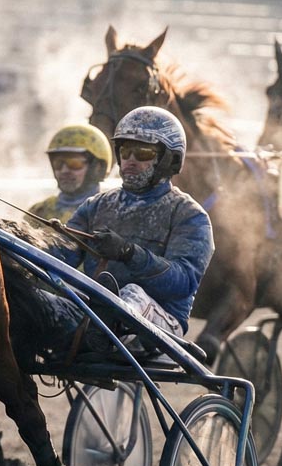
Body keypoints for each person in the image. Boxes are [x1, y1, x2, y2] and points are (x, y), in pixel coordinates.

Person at [36, 106, 213, 351]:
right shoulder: (96, 206)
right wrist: (15, 243)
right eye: (125, 151)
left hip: (161, 325)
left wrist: (129, 253)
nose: (130, 160)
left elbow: (183, 282)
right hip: (94, 309)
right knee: (37, 296)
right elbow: (59, 256)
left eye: (142, 152)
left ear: (167, 160)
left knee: (132, 294)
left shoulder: (189, 215)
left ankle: (106, 331)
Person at [28, 124, 112, 224]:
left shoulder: (111, 212)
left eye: (74, 164)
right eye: (58, 164)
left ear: (97, 168)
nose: (64, 170)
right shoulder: (39, 212)